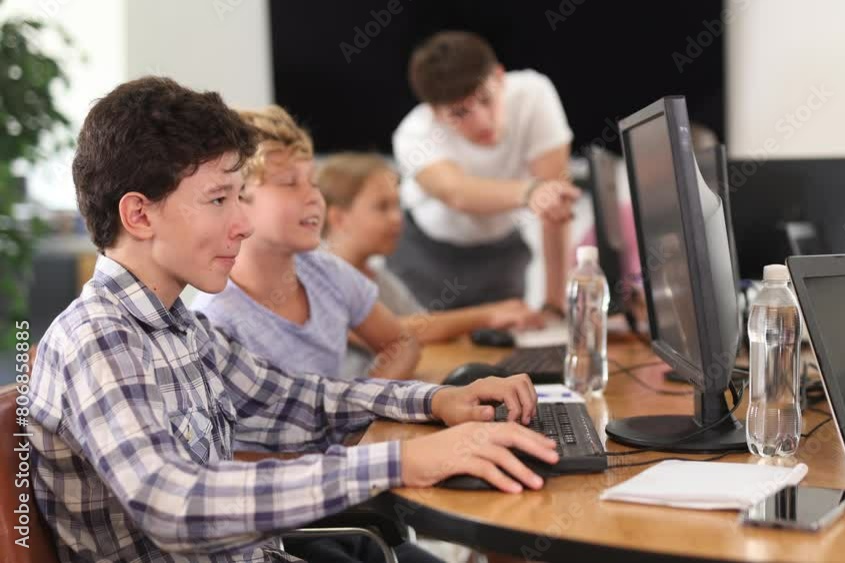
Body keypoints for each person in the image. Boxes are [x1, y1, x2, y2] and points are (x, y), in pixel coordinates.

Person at [26, 77, 557, 563]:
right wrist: (401, 461)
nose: (242, 224)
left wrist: (437, 401)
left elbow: (297, 399)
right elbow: (175, 505)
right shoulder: (97, 340)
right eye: (219, 199)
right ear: (139, 215)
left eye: (240, 197)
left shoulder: (179, 327)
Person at [191, 105, 419, 380]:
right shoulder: (216, 321)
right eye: (290, 183)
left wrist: (365, 401)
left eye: (313, 182)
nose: (313, 197)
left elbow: (401, 344)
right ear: (235, 197)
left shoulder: (326, 271)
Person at [387, 30, 580, 313]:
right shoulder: (414, 134)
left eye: (486, 99)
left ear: (500, 77)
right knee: (423, 338)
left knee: (510, 335)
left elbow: (556, 206)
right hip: (426, 257)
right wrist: (531, 192)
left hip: (502, 252)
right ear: (435, 112)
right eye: (459, 113)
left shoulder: (534, 95)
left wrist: (555, 303)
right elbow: (457, 193)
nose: (481, 122)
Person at [318, 151, 545, 348]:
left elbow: (421, 324)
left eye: (397, 205)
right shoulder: (320, 279)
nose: (397, 218)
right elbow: (389, 333)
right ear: (339, 218)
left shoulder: (380, 279)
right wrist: (487, 316)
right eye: (382, 207)